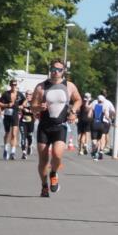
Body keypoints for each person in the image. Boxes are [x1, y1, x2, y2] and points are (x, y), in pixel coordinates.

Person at [30, 60, 81, 198]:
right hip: (44, 127)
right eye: (53, 68)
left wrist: (73, 111)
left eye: (58, 69)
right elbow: (32, 106)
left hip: (60, 126)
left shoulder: (69, 86)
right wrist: (39, 108)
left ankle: (53, 173)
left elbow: (78, 100)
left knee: (58, 155)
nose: (55, 71)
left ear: (63, 71)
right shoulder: (41, 87)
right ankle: (44, 186)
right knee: (43, 160)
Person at [0, 79, 25, 160]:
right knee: (7, 132)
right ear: (10, 85)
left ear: (17, 85)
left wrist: (22, 105)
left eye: (15, 85)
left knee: (14, 133)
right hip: (7, 114)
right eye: (12, 84)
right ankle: (6, 149)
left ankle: (13, 152)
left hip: (15, 114)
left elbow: (25, 100)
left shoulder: (19, 94)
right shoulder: (6, 94)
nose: (14, 86)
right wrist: (6, 105)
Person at [90, 92, 114, 160]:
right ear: (105, 96)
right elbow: (112, 112)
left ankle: (95, 149)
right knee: (102, 137)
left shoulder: (94, 102)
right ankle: (101, 151)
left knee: (96, 139)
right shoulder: (108, 103)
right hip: (104, 123)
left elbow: (89, 111)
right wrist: (111, 118)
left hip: (94, 123)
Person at [18, 91, 36, 159]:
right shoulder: (23, 100)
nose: (28, 95)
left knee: (29, 136)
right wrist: (26, 101)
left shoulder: (34, 102)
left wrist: (29, 111)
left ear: (32, 95)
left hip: (31, 122)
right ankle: (24, 152)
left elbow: (36, 111)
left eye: (29, 94)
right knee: (23, 136)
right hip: (23, 122)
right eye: (26, 94)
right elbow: (21, 107)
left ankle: (29, 146)